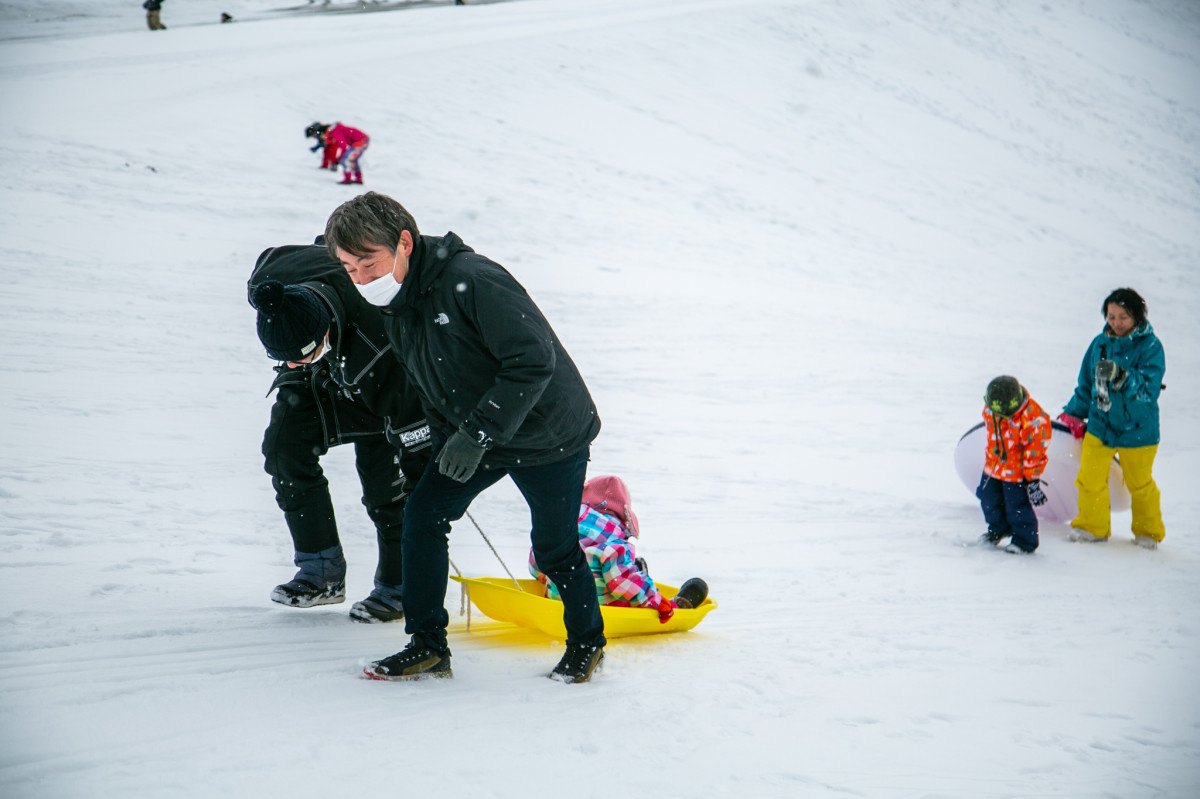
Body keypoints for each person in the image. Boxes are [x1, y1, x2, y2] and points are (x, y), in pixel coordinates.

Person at [324, 192, 606, 683]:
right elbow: (431, 382)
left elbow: (533, 360)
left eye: (367, 263)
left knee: (555, 547)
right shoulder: (400, 303)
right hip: (482, 431)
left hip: (548, 434)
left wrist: (475, 434)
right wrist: (443, 442)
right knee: (422, 515)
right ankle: (428, 644)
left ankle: (587, 642)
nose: (361, 279)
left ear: (404, 243)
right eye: (350, 269)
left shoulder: (473, 280)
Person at [247, 240, 432, 623]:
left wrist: (427, 491)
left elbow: (411, 430)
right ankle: (321, 571)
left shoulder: (380, 340)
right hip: (317, 379)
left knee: (387, 488)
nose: (291, 364)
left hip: (374, 382)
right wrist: (302, 359)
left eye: (302, 352)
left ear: (326, 331)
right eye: (284, 357)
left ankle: (398, 585)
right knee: (283, 450)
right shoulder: (270, 282)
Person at [1057, 288, 1166, 549]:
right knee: (1089, 479)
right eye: (1111, 316)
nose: (1116, 323)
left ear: (1137, 317)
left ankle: (1148, 533)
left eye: (1123, 317)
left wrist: (1122, 377)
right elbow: (1086, 384)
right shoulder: (1099, 344)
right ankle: (1092, 528)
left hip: (1138, 431)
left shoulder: (1151, 347)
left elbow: (1148, 392)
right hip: (1100, 426)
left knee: (1139, 484)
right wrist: (1073, 412)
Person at [529, 474, 707, 618]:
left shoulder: (562, 527)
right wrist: (658, 602)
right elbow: (620, 582)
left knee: (615, 570)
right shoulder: (613, 542)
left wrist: (546, 576)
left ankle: (638, 572)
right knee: (630, 585)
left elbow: (538, 559)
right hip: (600, 609)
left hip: (556, 600)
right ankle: (678, 604)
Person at [976, 376, 1051, 554]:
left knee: (1016, 506)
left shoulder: (1032, 418)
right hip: (993, 466)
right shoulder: (991, 408)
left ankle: (1025, 541)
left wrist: (1032, 479)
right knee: (988, 499)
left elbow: (1036, 448)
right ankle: (998, 529)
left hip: (1016, 471)